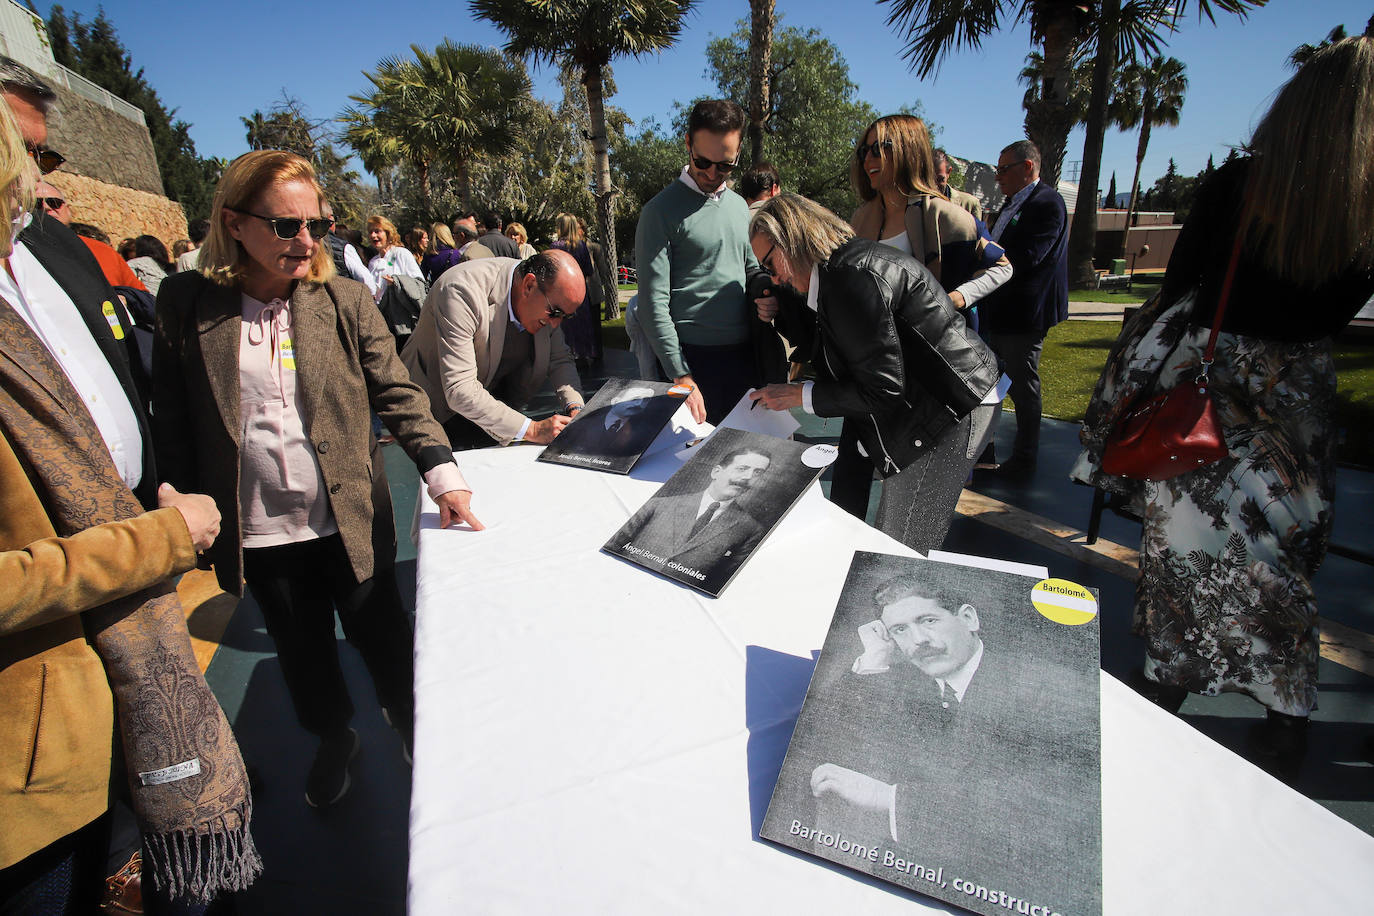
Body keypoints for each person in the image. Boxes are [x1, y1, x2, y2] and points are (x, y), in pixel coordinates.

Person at [1072, 37, 1374, 774]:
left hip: (1209, 389)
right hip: (1296, 395)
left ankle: (1169, 679)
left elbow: (1184, 286)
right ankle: (1287, 710)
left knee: (1187, 550)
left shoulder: (1242, 184)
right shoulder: (1361, 206)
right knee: (1280, 555)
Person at [152, 150, 484, 808]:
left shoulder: (342, 298)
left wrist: (442, 474)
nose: (306, 242)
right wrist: (178, 496)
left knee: (386, 640)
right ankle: (334, 737)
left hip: (349, 517)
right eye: (285, 226)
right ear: (234, 223)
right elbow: (173, 413)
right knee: (303, 655)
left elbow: (400, 393)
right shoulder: (188, 302)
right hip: (259, 530)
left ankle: (419, 736)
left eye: (319, 225)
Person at [0, 97, 259, 916]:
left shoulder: (48, 257)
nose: (45, 194)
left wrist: (157, 490)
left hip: (135, 661)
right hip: (30, 756)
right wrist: (157, 538)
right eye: (26, 165)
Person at [801, 575, 1096, 908]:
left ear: (968, 618)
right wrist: (873, 661)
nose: (919, 641)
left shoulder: (1045, 690)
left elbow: (1043, 805)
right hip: (909, 879)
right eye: (900, 630)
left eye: (928, 620)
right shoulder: (899, 680)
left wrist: (889, 798)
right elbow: (818, 743)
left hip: (1011, 886)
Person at [748, 193, 1000, 555]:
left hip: (952, 408)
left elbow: (882, 389)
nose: (775, 277)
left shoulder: (850, 279)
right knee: (894, 533)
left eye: (771, 263)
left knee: (901, 544)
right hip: (938, 400)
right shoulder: (838, 271)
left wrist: (798, 395)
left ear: (792, 238)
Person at [840, 114, 1011, 519]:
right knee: (852, 469)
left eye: (883, 148)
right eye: (866, 149)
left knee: (907, 502)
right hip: (875, 367)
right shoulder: (862, 218)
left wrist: (955, 297)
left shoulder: (945, 216)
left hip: (928, 381)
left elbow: (1002, 266)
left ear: (909, 151)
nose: (870, 158)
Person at [635, 98, 767, 425]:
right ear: (688, 143)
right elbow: (653, 302)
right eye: (702, 161)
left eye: (724, 165)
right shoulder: (659, 212)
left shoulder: (739, 206)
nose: (712, 173)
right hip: (692, 361)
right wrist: (681, 374)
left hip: (746, 358)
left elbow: (751, 269)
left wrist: (766, 291)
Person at [401, 250, 587, 450]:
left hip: (496, 404)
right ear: (529, 285)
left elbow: (559, 359)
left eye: (565, 317)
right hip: (438, 408)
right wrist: (532, 429)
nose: (556, 324)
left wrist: (575, 408)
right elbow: (460, 389)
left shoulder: (547, 299)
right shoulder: (461, 290)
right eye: (556, 313)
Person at [976, 139, 1069, 479]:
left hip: (1023, 315)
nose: (998, 177)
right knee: (988, 382)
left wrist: (984, 252)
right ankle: (984, 452)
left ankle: (1025, 458)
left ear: (1028, 167)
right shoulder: (1009, 205)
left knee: (1021, 385)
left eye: (1004, 170)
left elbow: (1029, 257)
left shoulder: (1048, 203)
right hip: (996, 311)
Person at [616, 445, 770, 591]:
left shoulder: (751, 529)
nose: (748, 477)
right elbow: (615, 543)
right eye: (742, 468)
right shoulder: (659, 504)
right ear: (716, 472)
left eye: (758, 473)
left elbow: (721, 580)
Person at [550, 212, 601, 365]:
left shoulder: (555, 247)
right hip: (580, 290)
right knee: (583, 322)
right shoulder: (581, 246)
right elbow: (589, 270)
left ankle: (570, 355)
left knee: (567, 325)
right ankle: (585, 354)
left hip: (562, 292)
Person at [365, 214, 424, 302]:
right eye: (370, 232)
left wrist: (396, 282)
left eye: (377, 231)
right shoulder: (373, 262)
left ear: (388, 233)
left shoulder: (401, 253)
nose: (373, 235)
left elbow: (419, 283)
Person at [933, 148, 983, 220]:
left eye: (940, 180)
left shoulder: (969, 204)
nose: (934, 185)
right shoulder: (916, 205)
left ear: (949, 172)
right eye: (929, 180)